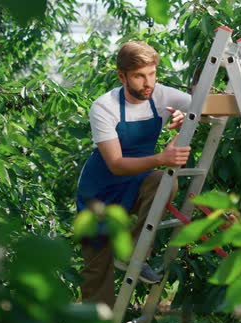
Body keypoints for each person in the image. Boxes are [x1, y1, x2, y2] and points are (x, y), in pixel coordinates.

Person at [76, 41, 192, 308]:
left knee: (165, 182)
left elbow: (205, 105)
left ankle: (134, 253)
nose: (147, 82)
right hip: (99, 195)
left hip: (137, 183)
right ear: (122, 76)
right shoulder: (104, 107)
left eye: (152, 74)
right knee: (97, 274)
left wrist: (188, 114)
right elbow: (116, 163)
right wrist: (162, 158)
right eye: (139, 76)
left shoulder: (161, 96)